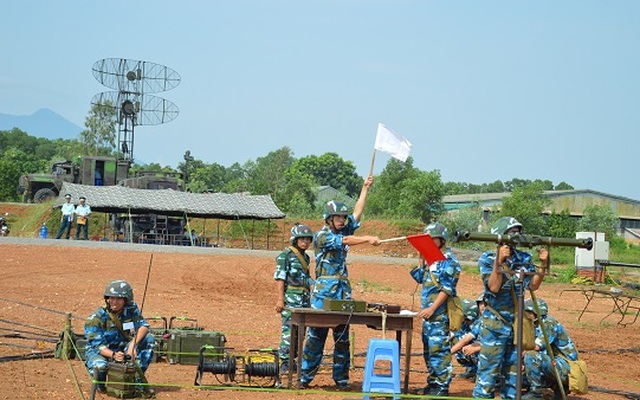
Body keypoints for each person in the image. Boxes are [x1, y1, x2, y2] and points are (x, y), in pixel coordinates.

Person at [299, 175, 381, 390]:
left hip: (343, 292)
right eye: (338, 217)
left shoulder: (344, 227)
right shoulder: (322, 236)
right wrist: (368, 238)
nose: (342, 220)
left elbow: (358, 212)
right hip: (324, 294)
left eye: (343, 218)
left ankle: (341, 380)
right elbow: (344, 241)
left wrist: (365, 188)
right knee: (316, 336)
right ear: (328, 218)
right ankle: (304, 378)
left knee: (342, 338)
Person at [473, 216, 549, 399]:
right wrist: (499, 262)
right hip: (495, 324)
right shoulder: (488, 258)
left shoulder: (524, 258)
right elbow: (493, 287)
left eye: (517, 232)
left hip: (516, 325)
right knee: (488, 374)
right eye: (511, 232)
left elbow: (532, 286)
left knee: (513, 376)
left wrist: (543, 266)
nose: (516, 235)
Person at [409, 222, 462, 396]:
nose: (430, 243)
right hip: (429, 317)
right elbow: (419, 278)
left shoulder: (448, 261)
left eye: (433, 239)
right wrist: (421, 258)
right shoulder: (431, 260)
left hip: (439, 316)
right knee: (428, 351)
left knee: (439, 351)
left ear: (442, 239)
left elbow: (447, 289)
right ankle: (432, 383)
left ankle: (441, 387)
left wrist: (432, 308)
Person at [84, 280, 155, 394]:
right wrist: (113, 355)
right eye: (111, 298)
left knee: (149, 339)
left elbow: (144, 326)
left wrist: (133, 344)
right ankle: (100, 385)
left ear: (126, 300)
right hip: (101, 351)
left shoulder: (131, 308)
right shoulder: (96, 318)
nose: (114, 302)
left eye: (118, 299)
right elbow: (98, 346)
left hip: (123, 347)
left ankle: (135, 379)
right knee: (100, 366)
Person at [274, 223, 314, 374]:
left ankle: (294, 360)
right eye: (301, 239)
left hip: (304, 299)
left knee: (301, 332)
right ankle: (285, 361)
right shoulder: (285, 255)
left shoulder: (306, 258)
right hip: (291, 298)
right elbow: (280, 278)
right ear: (295, 240)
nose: (305, 242)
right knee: (288, 331)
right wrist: (280, 299)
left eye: (307, 239)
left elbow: (306, 278)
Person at [522, 298, 578, 400]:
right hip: (552, 363)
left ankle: (536, 393)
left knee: (531, 356)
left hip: (566, 367)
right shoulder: (533, 325)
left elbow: (536, 347)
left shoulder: (548, 323)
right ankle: (554, 386)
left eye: (526, 312)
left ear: (534, 313)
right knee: (518, 378)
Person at [451, 295, 484, 381]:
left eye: (485, 304)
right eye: (480, 304)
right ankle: (473, 370)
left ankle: (492, 377)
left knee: (475, 348)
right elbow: (463, 339)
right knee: (456, 340)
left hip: (493, 353)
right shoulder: (479, 322)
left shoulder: (494, 322)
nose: (483, 307)